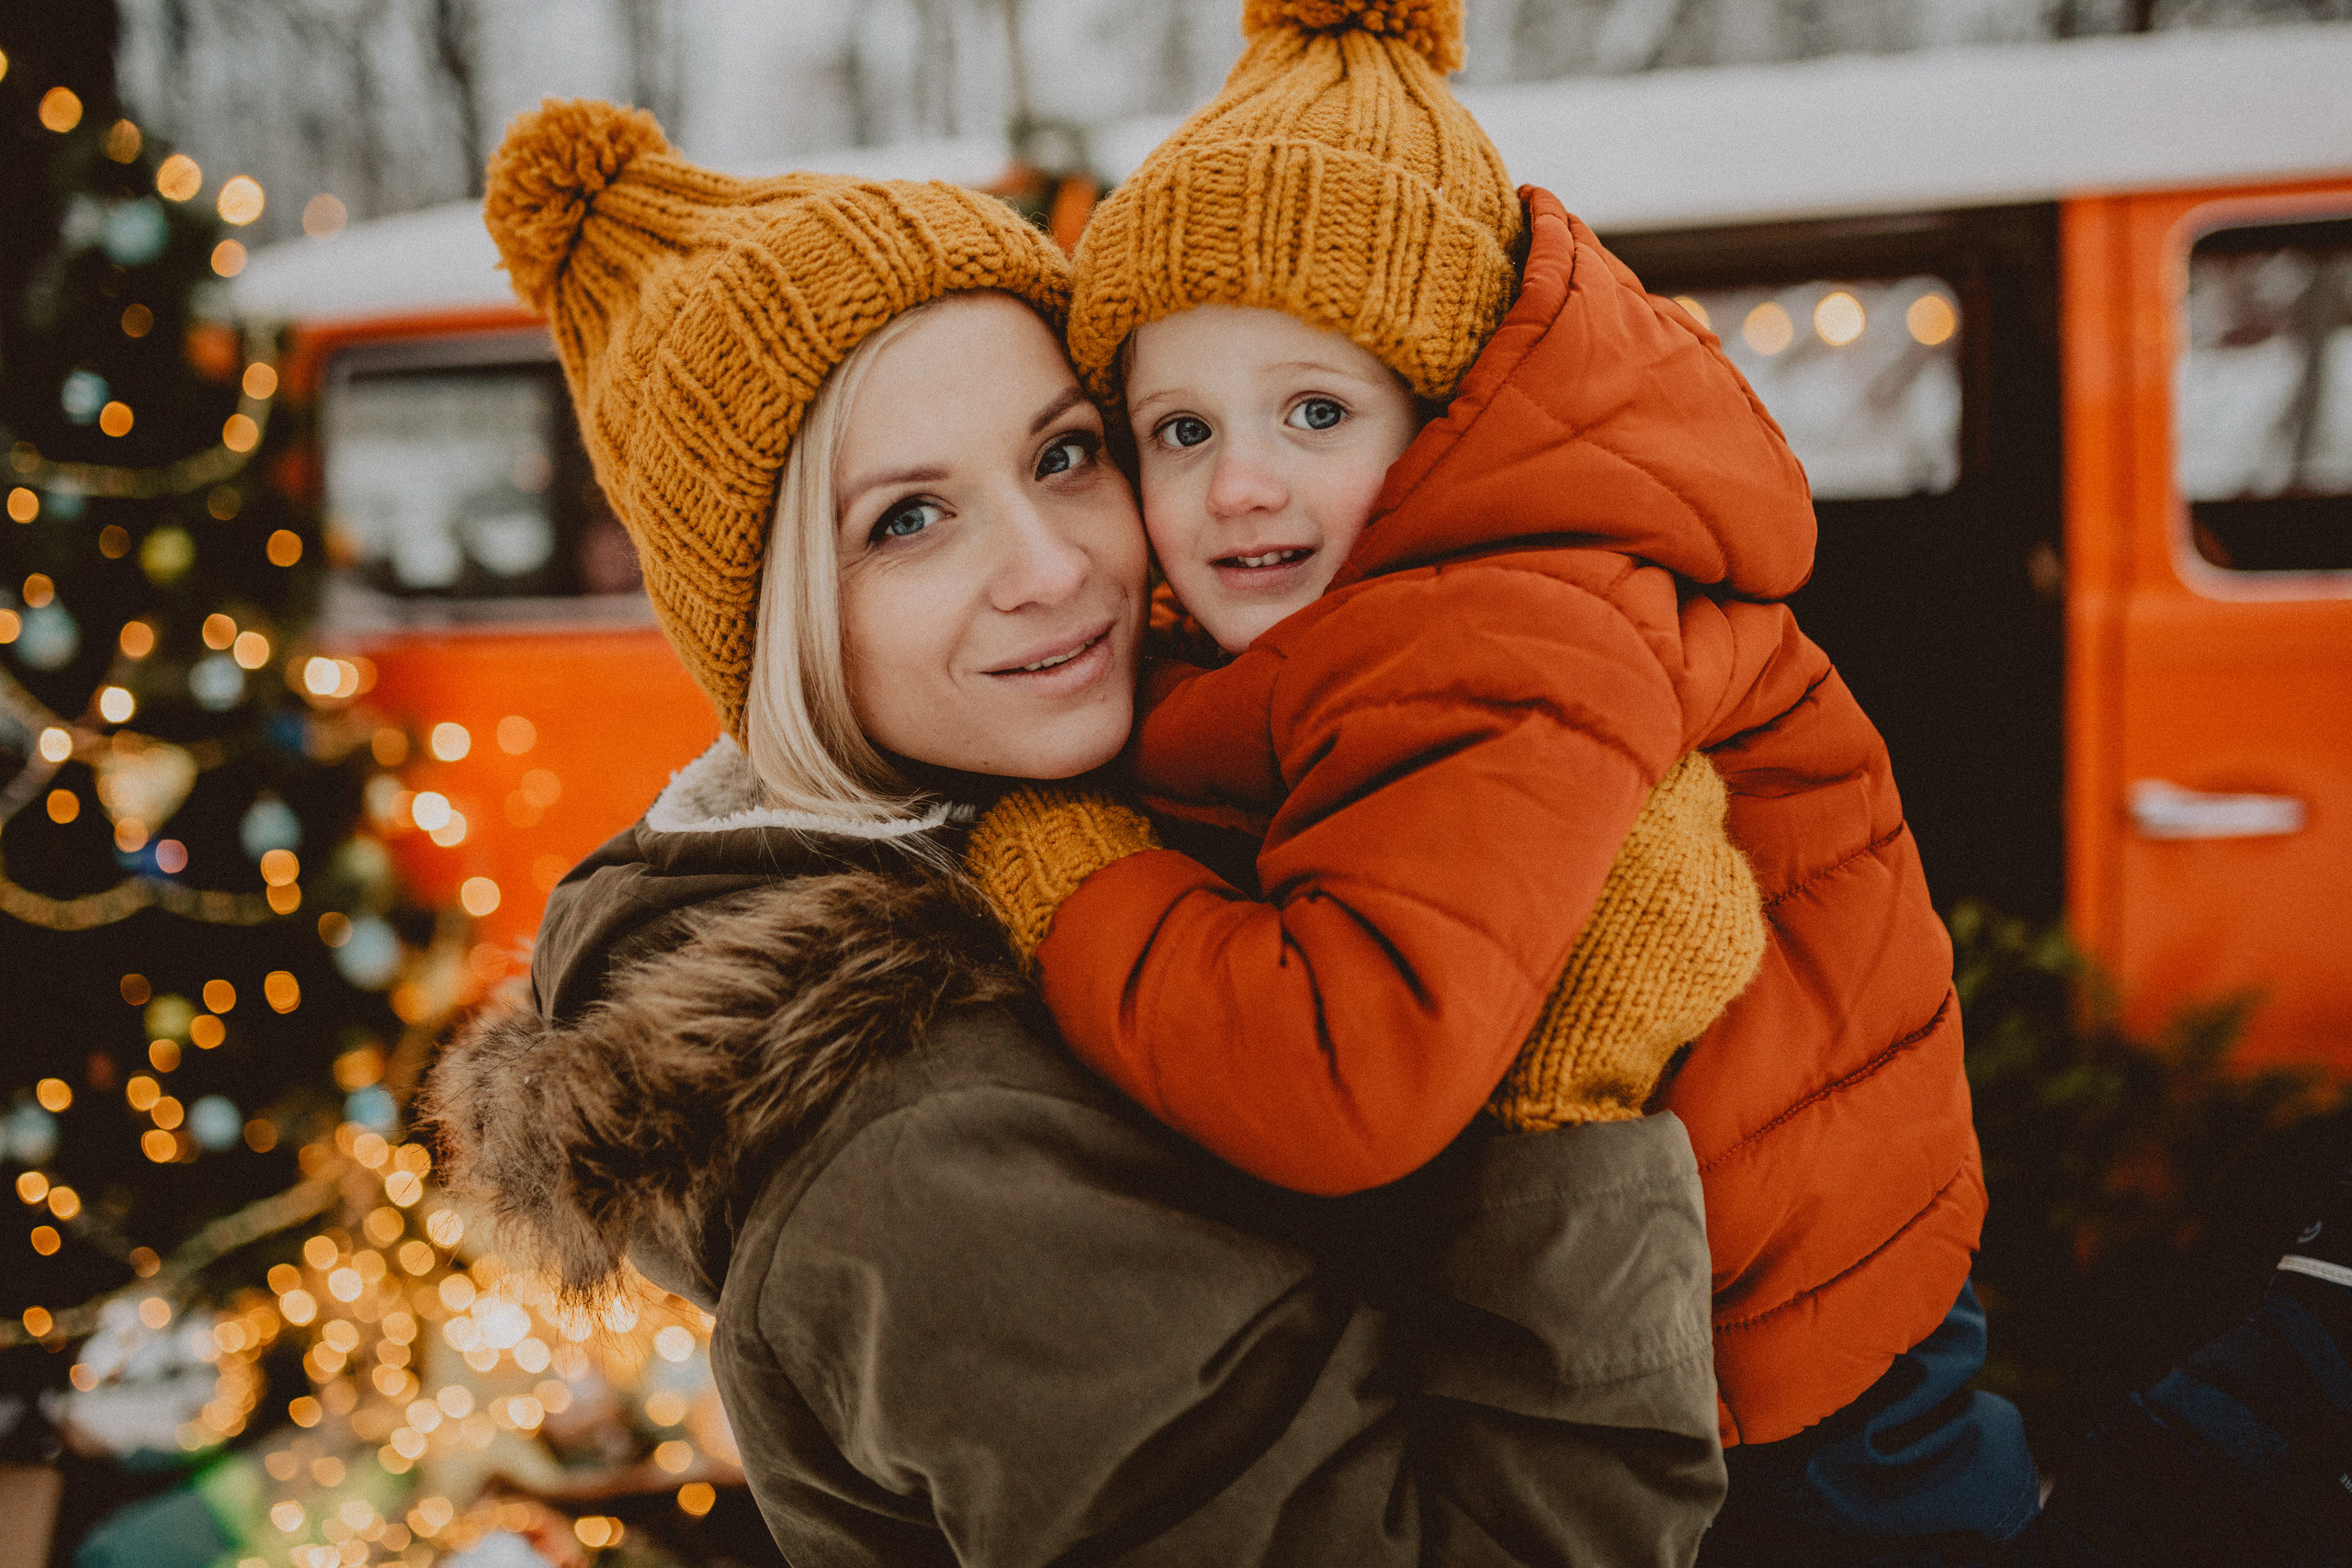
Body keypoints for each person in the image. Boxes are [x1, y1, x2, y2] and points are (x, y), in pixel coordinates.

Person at [425, 98, 1728, 1567]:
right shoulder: (930, 1152)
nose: (1054, 569)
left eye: (1062, 458)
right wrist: (1568, 1113)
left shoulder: (1079, 835)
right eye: (908, 521)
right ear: (777, 622)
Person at [956, 0, 2043, 1558]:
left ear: (1449, 419)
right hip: (1795, 1292)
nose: (1238, 482)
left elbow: (1349, 1072)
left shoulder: (1504, 632)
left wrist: (1071, 871)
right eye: (1179, 428)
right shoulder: (1418, 606)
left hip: (1782, 1392)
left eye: (1315, 412)